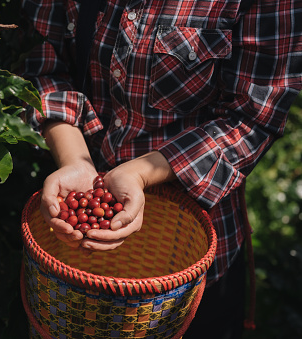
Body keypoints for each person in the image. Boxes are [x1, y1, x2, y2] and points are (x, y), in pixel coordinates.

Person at [18, 0, 302, 337]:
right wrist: (75, 161)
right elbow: (41, 64)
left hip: (195, 258)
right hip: (72, 264)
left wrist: (141, 173)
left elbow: (255, 116)